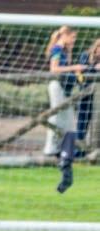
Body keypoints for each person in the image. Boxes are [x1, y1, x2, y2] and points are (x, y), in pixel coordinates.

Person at [44, 26, 87, 156]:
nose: (74, 40)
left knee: (68, 119)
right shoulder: (57, 49)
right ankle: (51, 149)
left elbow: (66, 67)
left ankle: (66, 149)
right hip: (57, 86)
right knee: (56, 117)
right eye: (73, 37)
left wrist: (70, 53)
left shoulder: (64, 50)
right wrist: (75, 67)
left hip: (65, 88)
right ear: (65, 35)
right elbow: (54, 69)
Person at [76, 38, 100, 143]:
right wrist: (94, 67)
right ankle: (80, 147)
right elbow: (80, 72)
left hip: (98, 96)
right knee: (83, 120)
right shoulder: (85, 55)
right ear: (96, 47)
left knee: (96, 122)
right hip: (85, 93)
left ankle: (94, 145)